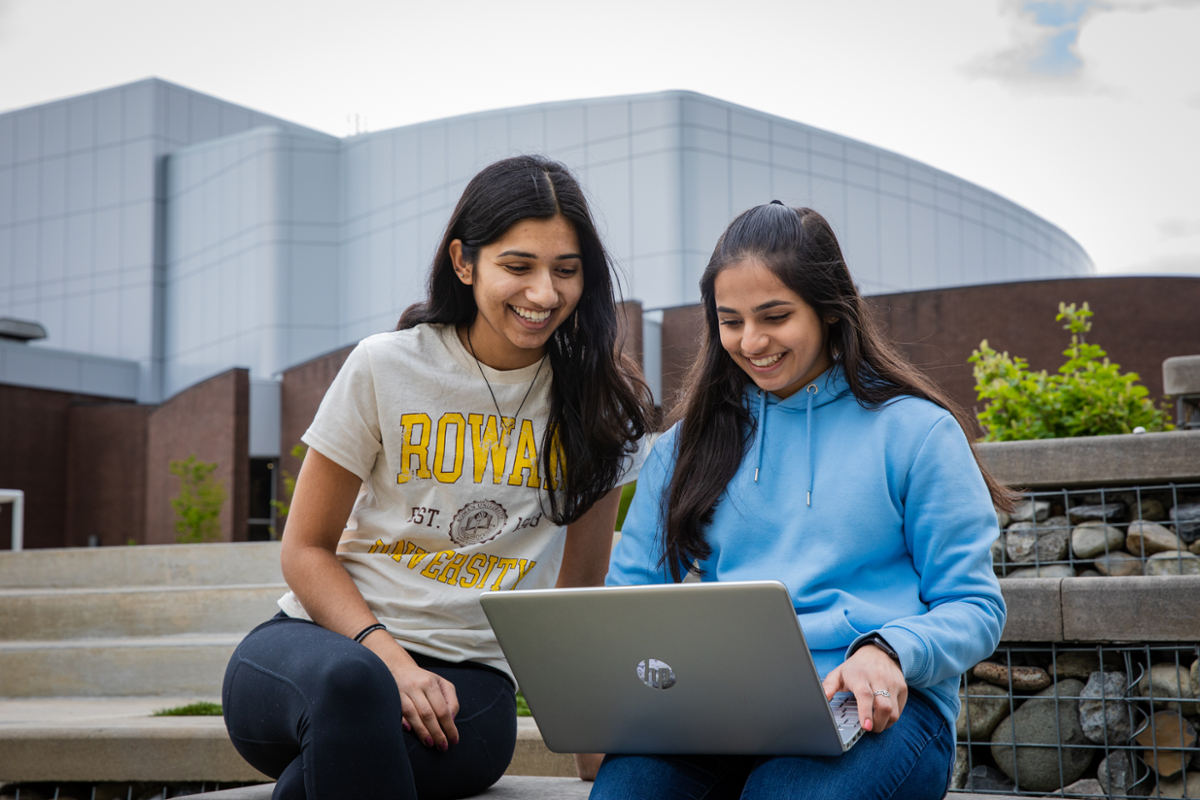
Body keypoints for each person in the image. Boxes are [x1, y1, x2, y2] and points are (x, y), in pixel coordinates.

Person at [222, 155, 652, 800]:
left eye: (566, 270)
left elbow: (577, 594)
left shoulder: (601, 403)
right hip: (318, 652)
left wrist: (595, 748)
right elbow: (305, 549)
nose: (545, 294)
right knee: (354, 688)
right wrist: (390, 660)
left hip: (469, 684)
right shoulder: (385, 367)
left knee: (310, 786)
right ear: (464, 262)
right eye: (518, 267)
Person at [594, 202, 1012, 800]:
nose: (752, 341)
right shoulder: (685, 446)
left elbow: (973, 605)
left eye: (775, 316)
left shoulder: (917, 433)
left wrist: (889, 648)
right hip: (721, 710)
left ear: (830, 310)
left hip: (877, 710)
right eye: (730, 320)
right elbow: (628, 604)